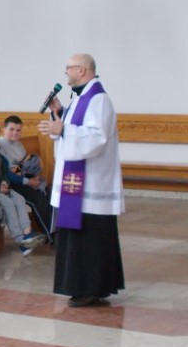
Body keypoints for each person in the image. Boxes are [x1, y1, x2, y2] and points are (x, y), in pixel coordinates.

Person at [39, 53, 125, 307]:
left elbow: (96, 137)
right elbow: (78, 126)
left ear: (82, 70)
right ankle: (86, 286)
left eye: (69, 68)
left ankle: (90, 288)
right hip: (77, 182)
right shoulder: (80, 97)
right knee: (79, 237)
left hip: (91, 184)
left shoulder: (98, 99)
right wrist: (59, 113)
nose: (66, 72)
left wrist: (64, 129)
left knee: (90, 238)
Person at [0, 121, 46, 255]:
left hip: (3, 185)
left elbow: (4, 171)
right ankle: (21, 241)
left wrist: (5, 182)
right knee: (8, 203)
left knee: (19, 199)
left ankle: (27, 233)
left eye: (18, 130)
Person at [0, 115, 54, 241]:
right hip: (12, 182)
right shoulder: (0, 145)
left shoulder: (18, 144)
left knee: (49, 193)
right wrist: (29, 181)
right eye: (12, 129)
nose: (15, 133)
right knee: (38, 199)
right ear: (4, 129)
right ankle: (50, 236)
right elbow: (7, 172)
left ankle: (54, 230)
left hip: (25, 178)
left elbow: (24, 164)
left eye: (18, 130)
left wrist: (33, 174)